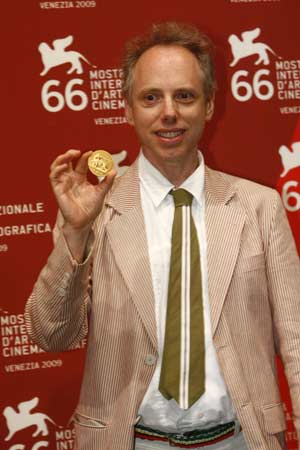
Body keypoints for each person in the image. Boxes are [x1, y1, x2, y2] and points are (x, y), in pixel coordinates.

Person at [25, 22, 300, 450]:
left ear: (208, 106)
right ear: (128, 109)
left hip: (241, 439)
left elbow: (297, 340)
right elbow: (51, 334)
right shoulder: (95, 208)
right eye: (151, 97)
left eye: (184, 96)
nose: (168, 112)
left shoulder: (259, 207)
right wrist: (75, 235)